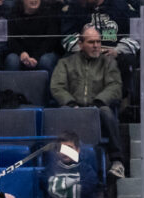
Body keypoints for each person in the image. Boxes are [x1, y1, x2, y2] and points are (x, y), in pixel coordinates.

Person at [50, 26, 126, 179]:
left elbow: (115, 86)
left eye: (98, 41)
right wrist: (71, 103)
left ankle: (117, 162)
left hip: (97, 109)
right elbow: (57, 87)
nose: (96, 45)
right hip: (73, 108)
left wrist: (98, 102)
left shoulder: (108, 63)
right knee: (62, 112)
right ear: (80, 44)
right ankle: (64, 165)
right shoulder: (66, 63)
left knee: (107, 112)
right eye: (91, 42)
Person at [43, 131, 102, 198]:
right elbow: (50, 189)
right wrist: (74, 184)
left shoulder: (86, 169)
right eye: (62, 149)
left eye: (69, 148)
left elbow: (87, 190)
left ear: (78, 150)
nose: (66, 152)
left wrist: (61, 188)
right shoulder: (50, 169)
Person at [2, 0, 60, 74]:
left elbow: (50, 41)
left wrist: (36, 56)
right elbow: (11, 39)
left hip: (43, 53)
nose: (34, 0)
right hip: (22, 54)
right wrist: (21, 53)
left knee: (45, 61)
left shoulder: (49, 13)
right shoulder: (13, 14)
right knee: (12, 60)